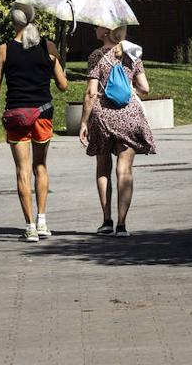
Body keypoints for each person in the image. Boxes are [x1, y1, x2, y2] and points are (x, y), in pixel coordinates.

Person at [0, 3, 70, 242]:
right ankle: (43, 222)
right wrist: (58, 63)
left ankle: (30, 227)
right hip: (42, 115)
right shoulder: (48, 47)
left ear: (13, 22)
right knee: (40, 166)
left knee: (22, 171)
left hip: (16, 115)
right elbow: (63, 86)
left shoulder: (4, 49)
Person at [79, 24, 155, 237]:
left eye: (98, 26)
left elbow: (91, 93)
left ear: (105, 32)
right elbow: (145, 88)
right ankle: (122, 225)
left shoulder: (96, 56)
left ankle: (106, 221)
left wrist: (84, 122)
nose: (95, 28)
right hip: (129, 116)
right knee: (125, 171)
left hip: (103, 117)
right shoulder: (132, 54)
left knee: (103, 168)